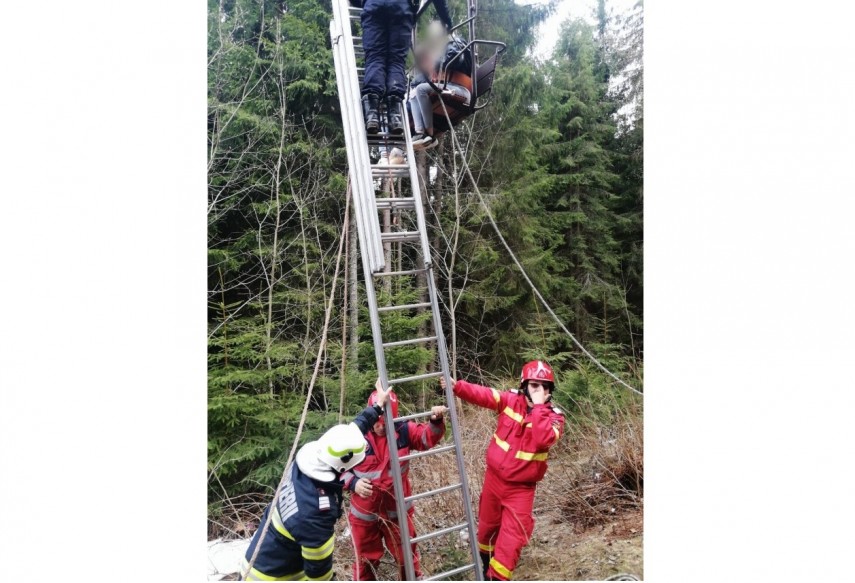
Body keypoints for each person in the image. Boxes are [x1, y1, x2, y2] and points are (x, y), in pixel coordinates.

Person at [241, 381, 392, 581]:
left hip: (265, 557)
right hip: (273, 577)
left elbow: (352, 431)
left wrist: (377, 406)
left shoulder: (311, 461)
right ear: (343, 466)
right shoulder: (316, 514)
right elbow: (319, 574)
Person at [440, 361, 565, 581]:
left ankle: (496, 578)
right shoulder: (510, 400)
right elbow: (485, 395)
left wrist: (538, 408)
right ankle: (485, 568)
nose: (540, 391)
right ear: (524, 385)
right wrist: (457, 386)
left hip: (521, 490)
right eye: (535, 385)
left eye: (545, 387)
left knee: (512, 540)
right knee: (486, 531)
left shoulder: (554, 417)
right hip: (493, 481)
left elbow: (543, 438)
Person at [342, 388, 448, 580]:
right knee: (364, 561)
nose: (381, 427)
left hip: (397, 511)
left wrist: (435, 420)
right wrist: (353, 483)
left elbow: (426, 438)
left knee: (407, 557)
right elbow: (336, 470)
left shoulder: (404, 430)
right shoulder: (355, 436)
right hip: (365, 514)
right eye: (377, 422)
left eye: (386, 423)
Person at [360, 0, 453, 135]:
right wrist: (446, 19)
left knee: (375, 56)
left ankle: (372, 116)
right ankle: (395, 117)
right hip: (402, 9)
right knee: (396, 60)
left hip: (374, 7)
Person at [410, 22, 473, 150]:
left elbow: (453, 58)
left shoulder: (458, 44)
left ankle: (428, 134)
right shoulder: (445, 50)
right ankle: (420, 133)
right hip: (450, 86)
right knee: (414, 93)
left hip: (461, 89)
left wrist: (435, 64)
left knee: (421, 89)